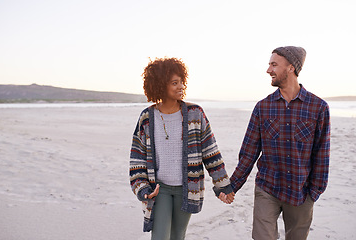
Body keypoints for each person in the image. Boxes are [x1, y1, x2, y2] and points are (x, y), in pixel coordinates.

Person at [220, 46, 331, 239]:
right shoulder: (263, 107)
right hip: (267, 188)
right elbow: (249, 153)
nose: (268, 70)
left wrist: (315, 191)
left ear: (290, 67)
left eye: (274, 64)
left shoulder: (318, 108)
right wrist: (232, 186)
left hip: (301, 191)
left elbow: (322, 154)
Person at [129, 57, 234, 239]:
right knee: (160, 236)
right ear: (160, 85)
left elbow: (211, 153)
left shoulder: (195, 113)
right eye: (174, 83)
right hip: (159, 189)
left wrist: (222, 186)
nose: (181, 86)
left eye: (181, 82)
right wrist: (143, 189)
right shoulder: (147, 117)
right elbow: (136, 159)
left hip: (187, 189)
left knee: (178, 236)